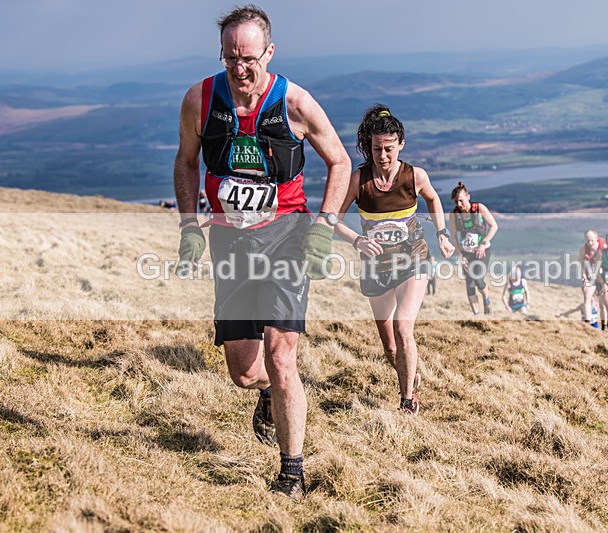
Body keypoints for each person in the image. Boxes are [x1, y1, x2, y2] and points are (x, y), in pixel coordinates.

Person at [172, 5, 350, 499]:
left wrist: (323, 228)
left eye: (248, 58)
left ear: (269, 53)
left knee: (280, 354)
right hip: (230, 239)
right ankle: (266, 391)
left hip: (286, 236)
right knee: (245, 371)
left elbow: (339, 162)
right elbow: (186, 162)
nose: (240, 68)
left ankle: (291, 473)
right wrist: (189, 227)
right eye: (230, 58)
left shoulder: (295, 103)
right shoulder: (199, 100)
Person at [333, 105, 454, 415]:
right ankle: (410, 376)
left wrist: (442, 233)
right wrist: (358, 240)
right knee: (390, 345)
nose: (383, 155)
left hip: (414, 259)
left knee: (403, 327)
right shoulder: (359, 180)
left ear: (401, 144)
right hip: (376, 268)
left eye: (388, 148)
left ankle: (407, 401)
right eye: (377, 149)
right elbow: (333, 219)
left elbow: (433, 198)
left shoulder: (414, 176)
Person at [449, 182, 498, 316]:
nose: (459, 204)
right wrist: (460, 256)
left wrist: (483, 243)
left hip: (483, 251)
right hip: (466, 253)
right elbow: (454, 237)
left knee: (478, 279)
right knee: (469, 284)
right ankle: (476, 315)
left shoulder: (479, 208)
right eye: (456, 202)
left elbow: (494, 226)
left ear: (468, 197)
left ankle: (486, 300)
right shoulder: (454, 214)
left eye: (461, 200)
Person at [579, 230, 605, 326]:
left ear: (596, 238)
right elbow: (581, 264)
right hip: (591, 276)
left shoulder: (604, 247)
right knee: (587, 295)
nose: (590, 243)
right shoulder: (583, 249)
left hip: (603, 277)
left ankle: (604, 325)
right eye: (587, 241)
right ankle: (588, 322)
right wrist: (584, 277)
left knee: (603, 303)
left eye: (592, 240)